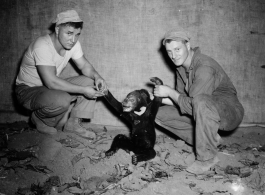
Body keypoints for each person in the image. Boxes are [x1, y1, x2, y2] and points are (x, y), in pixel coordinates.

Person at [154, 29, 244, 174]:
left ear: (188, 46)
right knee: (158, 114)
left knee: (200, 101)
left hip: (229, 111)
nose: (173, 55)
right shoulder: (181, 68)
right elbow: (182, 101)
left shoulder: (204, 66)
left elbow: (193, 103)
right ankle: (211, 139)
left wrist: (170, 92)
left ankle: (207, 158)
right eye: (169, 51)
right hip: (204, 109)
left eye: (177, 49)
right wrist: (156, 100)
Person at [15, 10, 107, 138]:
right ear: (57, 29)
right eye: (69, 33)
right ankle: (39, 119)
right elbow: (51, 82)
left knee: (90, 82)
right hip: (27, 91)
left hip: (48, 88)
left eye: (77, 34)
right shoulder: (42, 45)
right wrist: (83, 90)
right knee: (63, 99)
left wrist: (97, 76)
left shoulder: (73, 44)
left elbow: (85, 66)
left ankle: (73, 124)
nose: (73, 39)